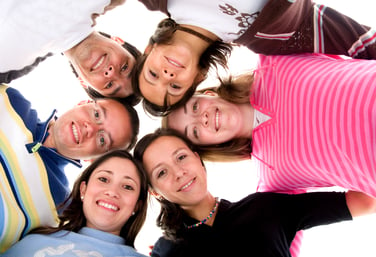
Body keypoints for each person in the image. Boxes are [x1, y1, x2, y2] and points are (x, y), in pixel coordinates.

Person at [133, 128, 376, 257]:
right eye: (161, 173)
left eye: (181, 157)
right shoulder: (167, 250)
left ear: (198, 159)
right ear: (155, 193)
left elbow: (366, 201)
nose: (179, 172)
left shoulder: (264, 208)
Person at [164, 53, 376, 196]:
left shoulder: (272, 57)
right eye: (194, 131)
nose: (203, 118)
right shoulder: (272, 178)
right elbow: (284, 234)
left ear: (207, 94)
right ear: (207, 145)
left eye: (194, 108)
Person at [133, 0, 376, 114]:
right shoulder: (274, 38)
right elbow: (362, 42)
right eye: (175, 86)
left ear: (148, 50)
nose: (167, 75)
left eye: (152, 75)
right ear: (198, 77)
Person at [0, 83, 139, 252]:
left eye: (102, 140)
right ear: (82, 103)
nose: (90, 128)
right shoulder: (10, 101)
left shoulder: (58, 209)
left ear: (95, 159)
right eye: (96, 114)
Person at [2, 149, 148, 257]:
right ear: (83, 190)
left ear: (137, 205)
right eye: (103, 179)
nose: (112, 192)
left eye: (128, 186)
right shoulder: (33, 241)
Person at [0, 0, 142, 105]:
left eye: (109, 85)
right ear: (118, 40)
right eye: (125, 67)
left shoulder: (10, 67)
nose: (111, 73)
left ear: (83, 83)